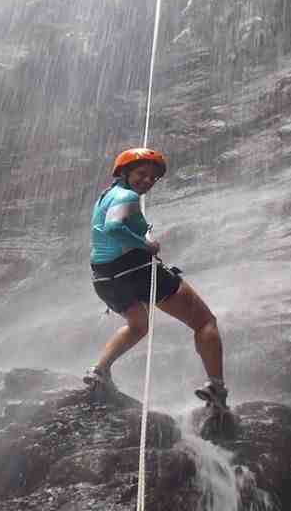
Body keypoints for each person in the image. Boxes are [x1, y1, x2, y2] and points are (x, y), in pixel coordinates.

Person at [83, 147, 228, 408]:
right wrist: (145, 245)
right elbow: (113, 227)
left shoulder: (107, 196)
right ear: (125, 172)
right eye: (142, 174)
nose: (147, 181)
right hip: (134, 269)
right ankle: (217, 387)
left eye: (153, 178)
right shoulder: (127, 196)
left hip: (105, 279)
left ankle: (99, 370)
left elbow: (116, 227)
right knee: (205, 322)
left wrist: (145, 235)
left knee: (138, 326)